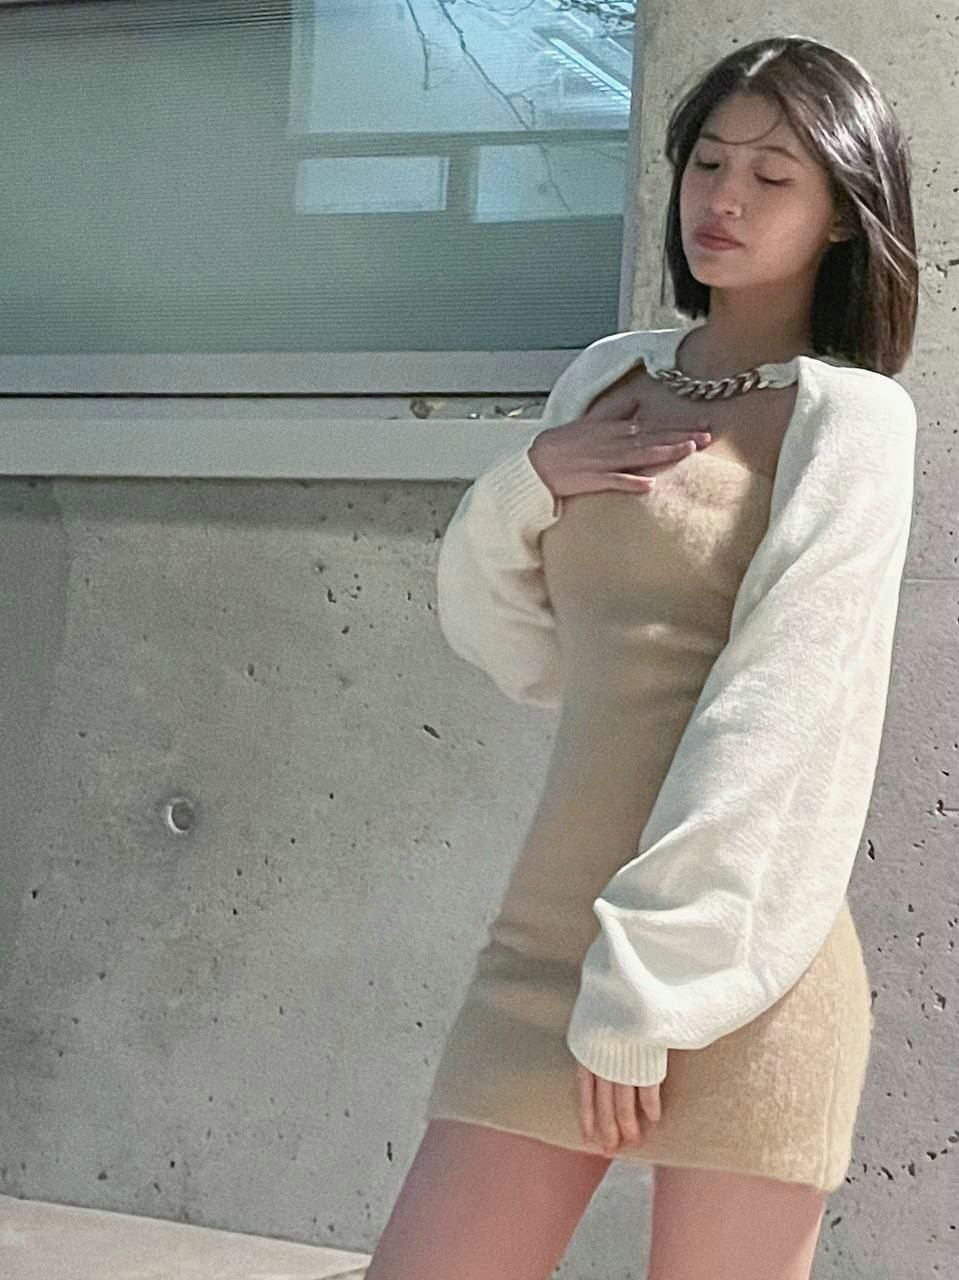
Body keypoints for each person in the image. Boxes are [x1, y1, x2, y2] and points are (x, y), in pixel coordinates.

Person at [364, 35, 919, 1280]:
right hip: (546, 941)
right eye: (706, 162)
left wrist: (646, 982)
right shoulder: (608, 377)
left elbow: (777, 708)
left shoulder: (852, 421)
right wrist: (528, 480)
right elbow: (518, 648)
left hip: (740, 964)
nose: (723, 198)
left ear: (841, 213)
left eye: (771, 176)